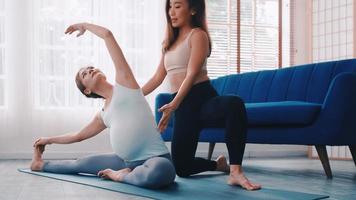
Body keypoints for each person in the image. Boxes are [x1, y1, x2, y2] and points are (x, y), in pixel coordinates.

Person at [30, 23, 176, 189]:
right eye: (85, 73)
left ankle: (122, 176)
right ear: (87, 90)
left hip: (155, 159)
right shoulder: (103, 114)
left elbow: (107, 35)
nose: (90, 70)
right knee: (80, 164)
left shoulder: (127, 84)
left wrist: (84, 25)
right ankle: (39, 164)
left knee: (162, 171)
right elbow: (78, 135)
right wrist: (49, 140)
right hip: (123, 161)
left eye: (91, 67)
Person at [141, 0, 261, 190]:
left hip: (202, 99)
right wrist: (133, 96)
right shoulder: (168, 44)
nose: (171, 12)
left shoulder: (198, 35)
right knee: (181, 167)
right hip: (183, 106)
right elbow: (157, 77)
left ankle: (235, 172)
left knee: (234, 104)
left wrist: (174, 105)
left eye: (178, 6)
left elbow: (191, 74)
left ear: (193, 10)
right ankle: (217, 164)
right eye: (170, 7)